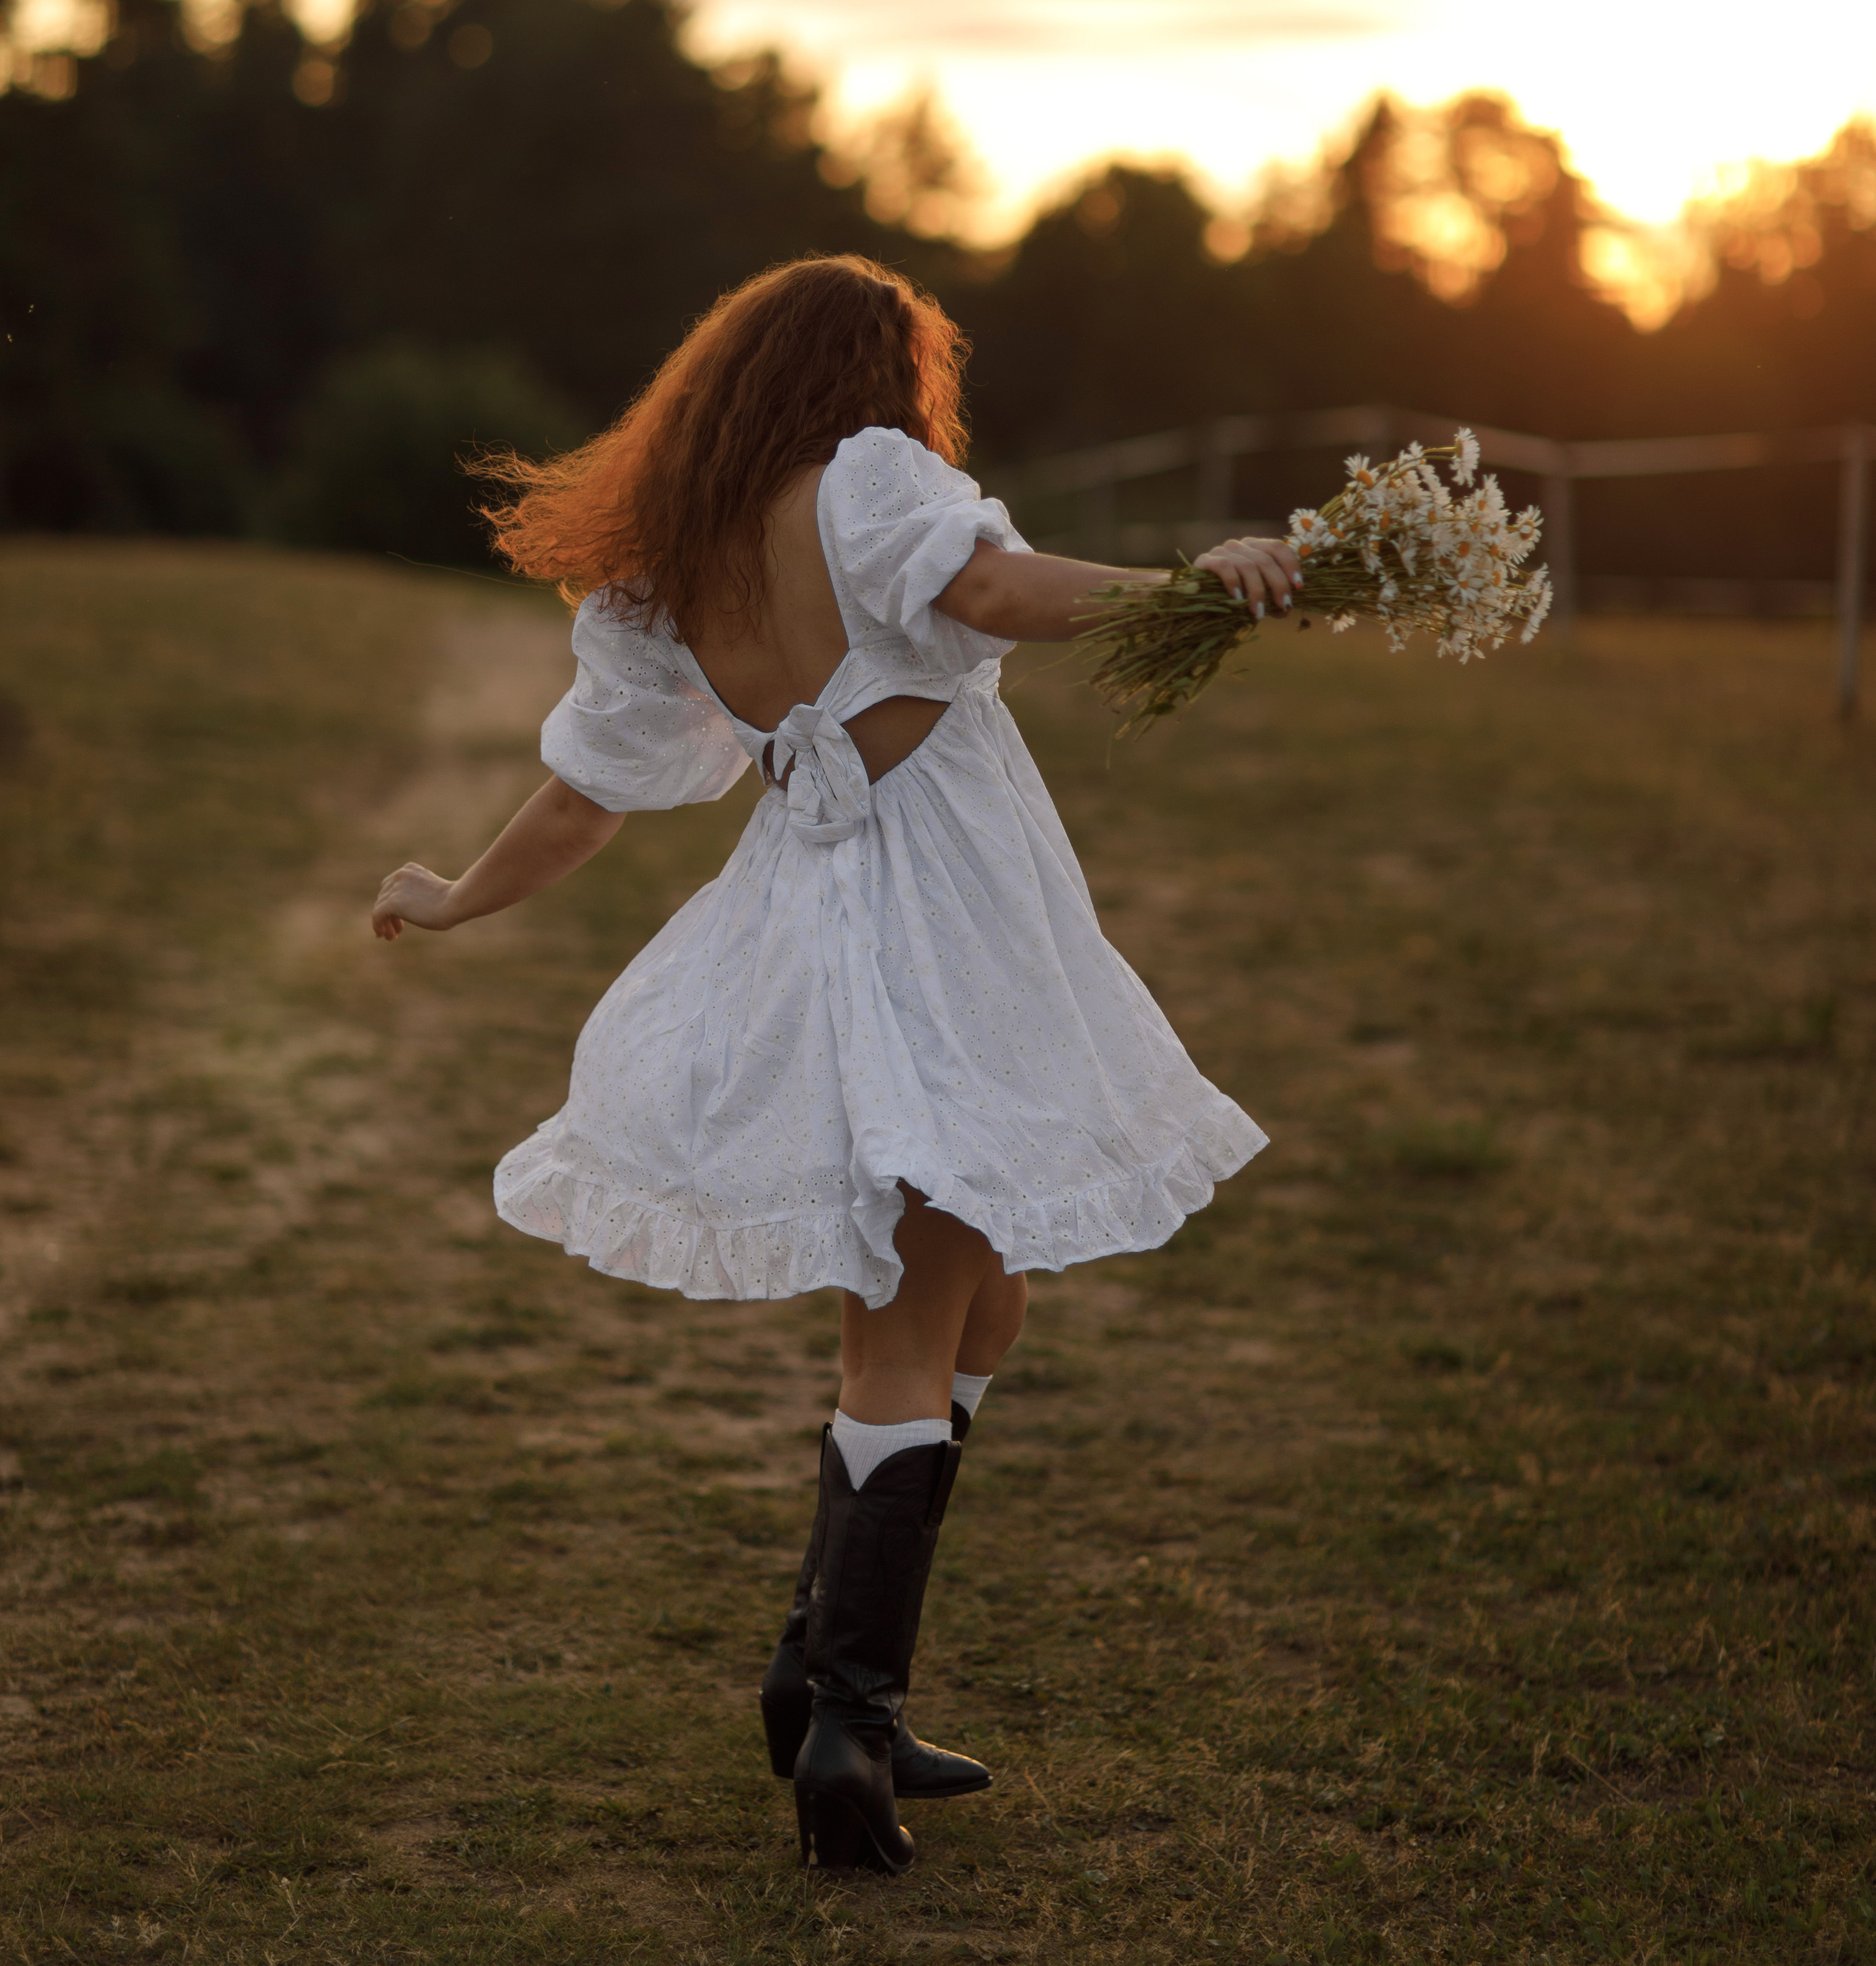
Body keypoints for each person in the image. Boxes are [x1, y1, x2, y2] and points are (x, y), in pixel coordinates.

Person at [372, 254, 1291, 1874]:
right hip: (921, 938)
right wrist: (1195, 586)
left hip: (816, 930)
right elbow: (997, 598)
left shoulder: (671, 565)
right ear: (871, 377)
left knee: (977, 1291)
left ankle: (817, 1671)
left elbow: (585, 799)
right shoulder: (869, 479)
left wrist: (452, 897)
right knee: (905, 1315)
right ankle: (848, 1731)